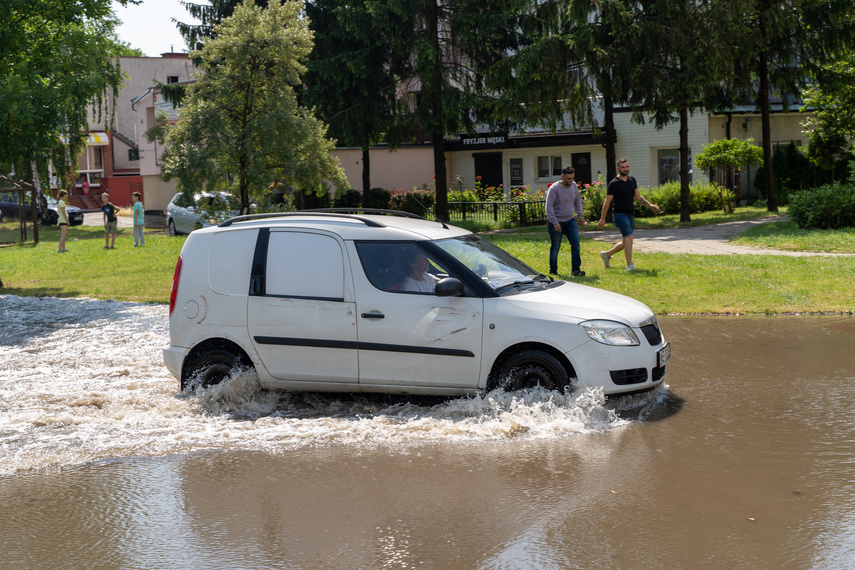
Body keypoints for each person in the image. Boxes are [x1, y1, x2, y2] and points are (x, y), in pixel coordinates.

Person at [598, 158, 659, 271]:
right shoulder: (614, 183)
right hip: (619, 214)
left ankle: (606, 255)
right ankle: (629, 265)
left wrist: (650, 205)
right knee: (629, 237)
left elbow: (638, 197)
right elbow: (607, 202)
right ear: (618, 168)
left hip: (629, 213)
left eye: (627, 167)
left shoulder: (632, 180)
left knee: (625, 241)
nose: (625, 169)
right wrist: (602, 218)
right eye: (623, 167)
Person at [546, 166, 587, 276]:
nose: (571, 181)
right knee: (555, 246)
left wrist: (581, 217)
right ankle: (553, 271)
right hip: (556, 222)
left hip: (570, 221)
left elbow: (577, 201)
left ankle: (576, 270)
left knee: (575, 243)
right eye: (568, 179)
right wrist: (555, 222)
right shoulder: (554, 188)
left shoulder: (573, 186)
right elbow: (548, 207)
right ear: (562, 177)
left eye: (572, 178)